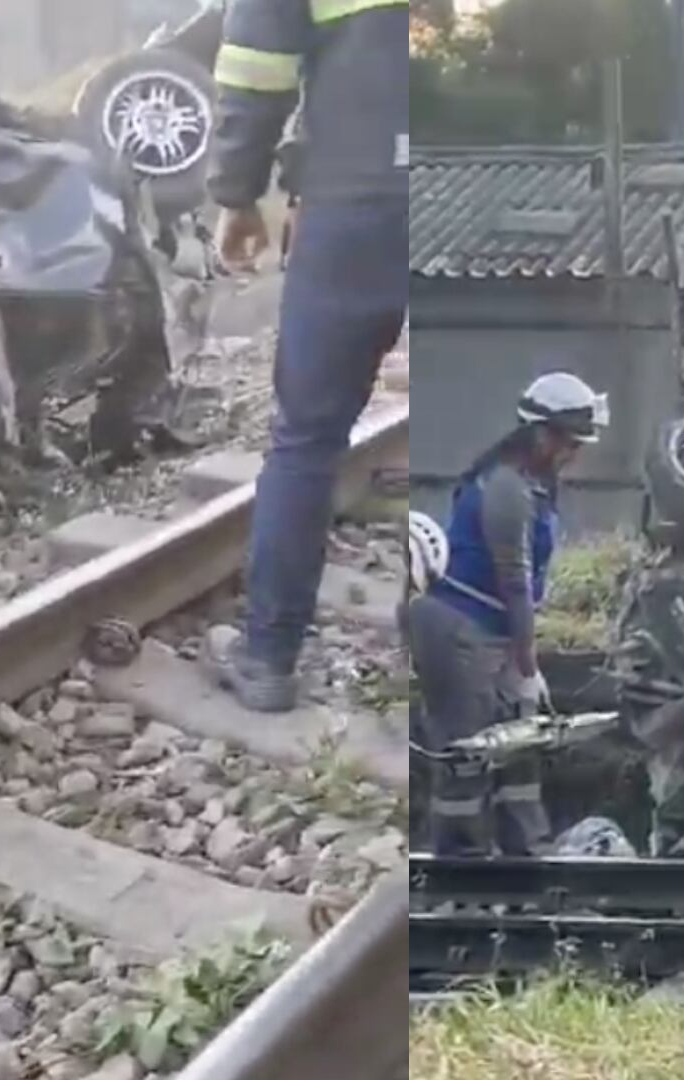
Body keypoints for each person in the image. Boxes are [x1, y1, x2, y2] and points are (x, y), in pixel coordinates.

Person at [202, 0, 410, 713]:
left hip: (359, 198)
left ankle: (267, 658)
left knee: (307, 438)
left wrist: (238, 191)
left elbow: (257, 66)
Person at [400, 372, 609, 856]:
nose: (575, 454)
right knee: (467, 752)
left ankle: (527, 849)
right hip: (461, 630)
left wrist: (520, 665)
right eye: (570, 443)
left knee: (521, 745)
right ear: (541, 435)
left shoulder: (532, 485)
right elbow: (513, 580)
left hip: (493, 630)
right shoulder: (506, 490)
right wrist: (529, 663)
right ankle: (460, 860)